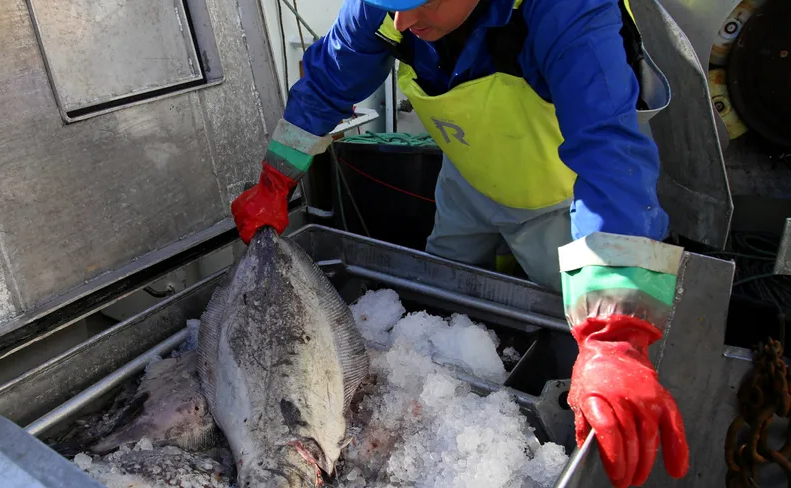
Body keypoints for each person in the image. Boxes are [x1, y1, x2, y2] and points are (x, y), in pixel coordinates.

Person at [231, 0, 690, 485]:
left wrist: (615, 338)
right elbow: (327, 82)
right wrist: (274, 179)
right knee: (437, 296)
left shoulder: (566, 11)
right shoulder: (386, 9)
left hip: (558, 200)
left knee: (570, 326)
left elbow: (610, 157)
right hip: (466, 181)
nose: (401, 21)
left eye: (417, 1)